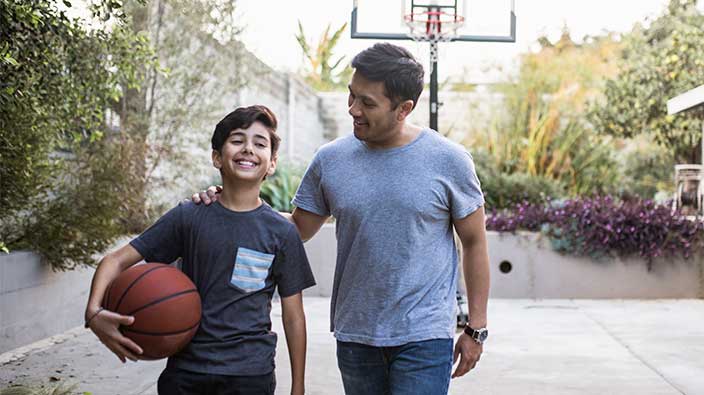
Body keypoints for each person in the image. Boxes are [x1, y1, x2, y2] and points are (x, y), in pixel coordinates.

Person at [195, 43, 490, 395]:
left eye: (368, 103)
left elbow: (474, 243)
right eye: (352, 96)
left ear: (404, 108)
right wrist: (230, 205)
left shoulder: (449, 160)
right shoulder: (331, 160)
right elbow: (295, 230)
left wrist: (476, 327)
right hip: (356, 335)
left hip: (424, 335)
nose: (353, 109)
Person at [85, 105, 316, 395]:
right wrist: (93, 313)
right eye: (237, 140)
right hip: (187, 370)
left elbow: (294, 316)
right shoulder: (190, 215)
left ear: (271, 163)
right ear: (217, 157)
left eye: (259, 143)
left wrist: (298, 387)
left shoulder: (281, 233)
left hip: (250, 374)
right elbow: (115, 260)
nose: (248, 149)